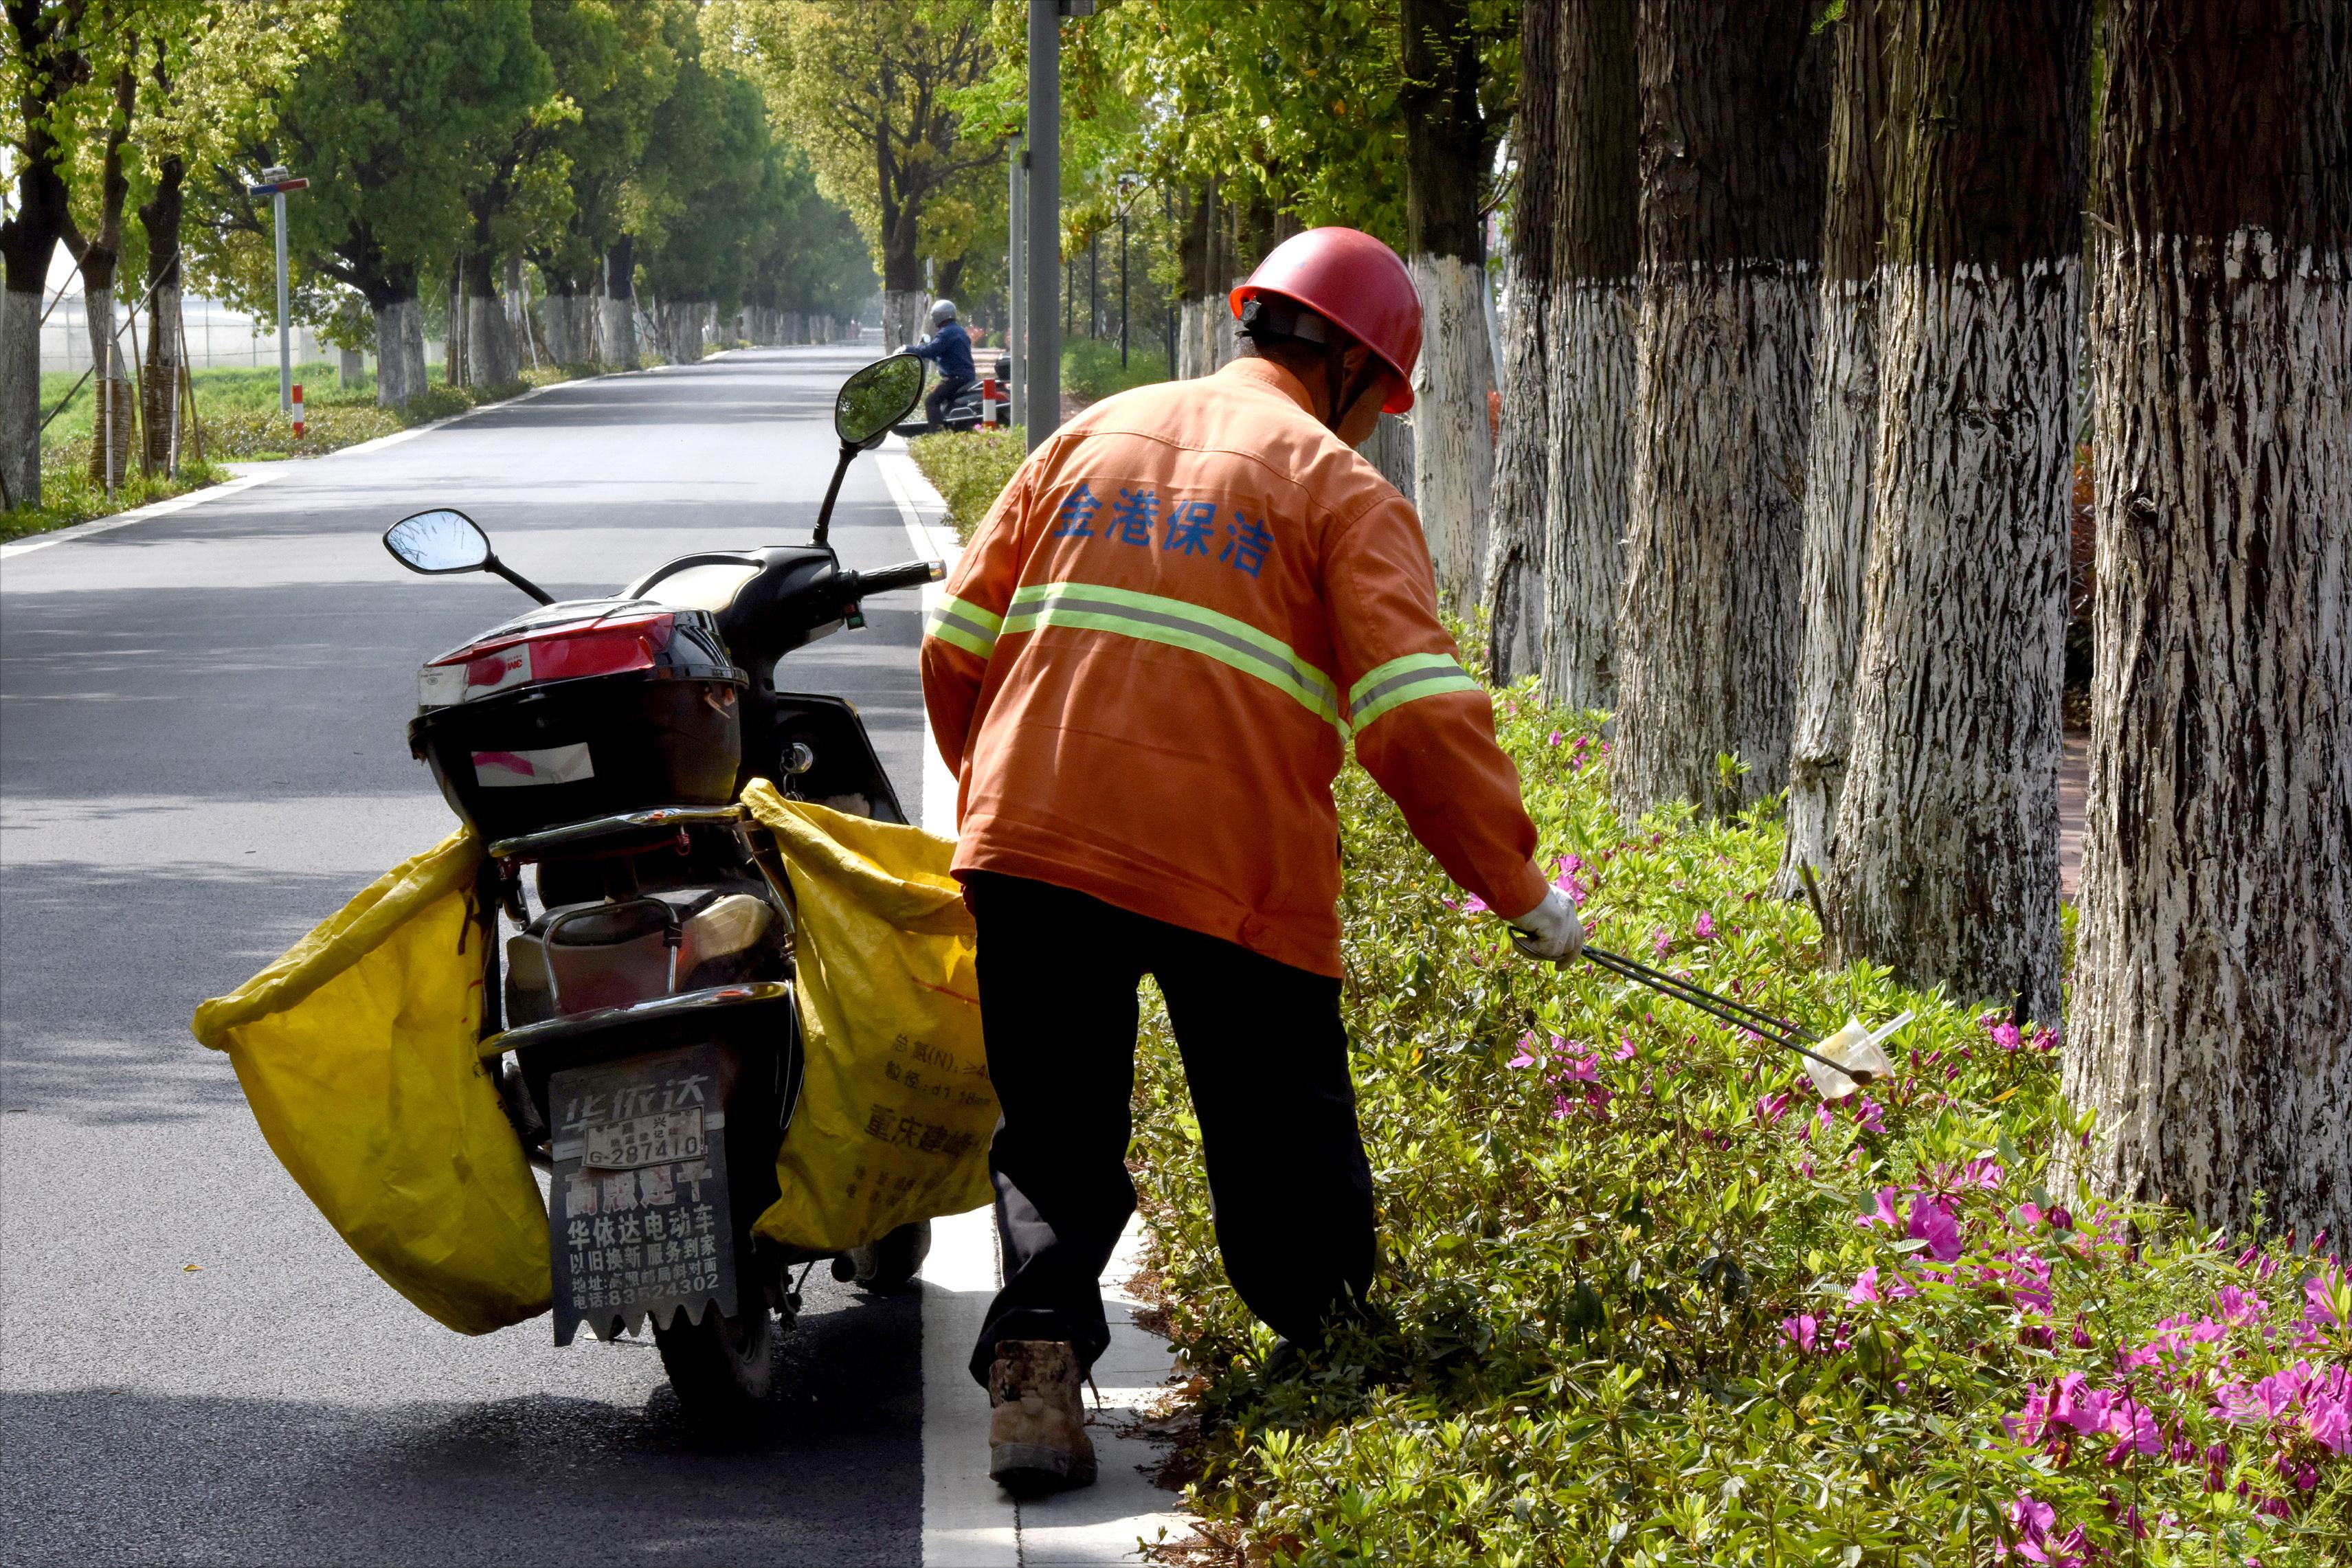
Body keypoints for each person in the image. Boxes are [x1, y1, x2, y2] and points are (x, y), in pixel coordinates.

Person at [918, 226, 1584, 1497]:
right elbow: (1416, 721)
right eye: (1378, 397)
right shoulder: (1340, 493)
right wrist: (1519, 888)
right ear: (1344, 363)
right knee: (1282, 1139)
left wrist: (1007, 807)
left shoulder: (1088, 437)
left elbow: (956, 643)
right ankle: (1322, 1352)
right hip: (1231, 863)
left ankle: (1040, 1364)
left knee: (1052, 1138)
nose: (1378, 423)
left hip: (1033, 836)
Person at [907, 298, 976, 432]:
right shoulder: (958, 330)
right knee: (942, 398)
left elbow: (931, 349)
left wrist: (908, 349)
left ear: (939, 316)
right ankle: (950, 427)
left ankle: (938, 435)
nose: (933, 320)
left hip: (955, 378)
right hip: (965, 376)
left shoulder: (946, 333)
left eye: (934, 317)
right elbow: (940, 353)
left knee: (931, 402)